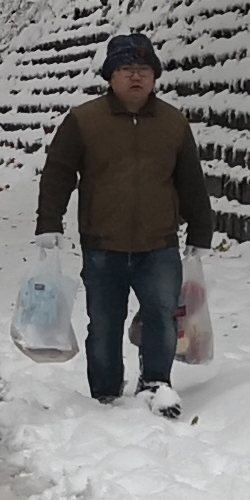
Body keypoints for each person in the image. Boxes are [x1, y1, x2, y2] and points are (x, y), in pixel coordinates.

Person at [35, 30, 212, 415]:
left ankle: (156, 385)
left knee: (162, 317)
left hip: (159, 243)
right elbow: (59, 173)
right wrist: (49, 221)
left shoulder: (173, 123)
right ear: (110, 76)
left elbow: (191, 181)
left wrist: (201, 229)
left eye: (144, 70)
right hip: (103, 243)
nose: (136, 77)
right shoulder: (84, 121)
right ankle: (106, 393)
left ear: (155, 77)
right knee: (104, 323)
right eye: (127, 69)